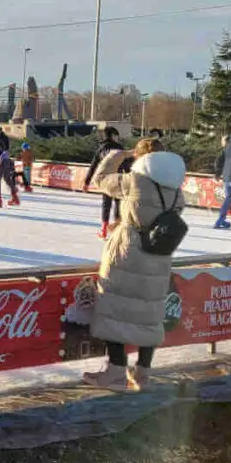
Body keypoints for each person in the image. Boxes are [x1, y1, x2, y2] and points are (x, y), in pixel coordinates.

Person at [82, 138, 185, 392]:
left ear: (142, 159)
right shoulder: (176, 191)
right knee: (149, 313)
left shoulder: (134, 181)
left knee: (115, 306)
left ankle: (116, 374)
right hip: (158, 256)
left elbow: (101, 179)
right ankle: (143, 373)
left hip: (128, 253)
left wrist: (117, 155)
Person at [84, 126, 127, 239]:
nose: (117, 138)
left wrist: (86, 182)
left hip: (106, 180)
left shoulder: (101, 148)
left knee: (106, 204)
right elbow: (126, 165)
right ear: (113, 135)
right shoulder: (119, 148)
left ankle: (104, 230)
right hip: (118, 179)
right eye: (116, 135)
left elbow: (93, 166)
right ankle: (117, 229)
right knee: (118, 204)